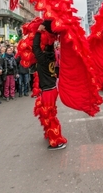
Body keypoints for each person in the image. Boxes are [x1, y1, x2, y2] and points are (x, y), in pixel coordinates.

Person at [33, 22, 67, 150]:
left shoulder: (43, 59)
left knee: (49, 115)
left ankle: (57, 140)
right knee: (48, 113)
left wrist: (38, 32)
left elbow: (35, 47)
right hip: (51, 89)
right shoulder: (51, 56)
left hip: (48, 90)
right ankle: (51, 134)